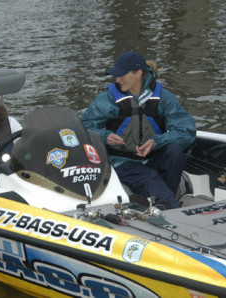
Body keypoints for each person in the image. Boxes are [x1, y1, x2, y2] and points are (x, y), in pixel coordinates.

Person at [81, 51, 196, 209]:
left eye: (122, 75)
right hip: (122, 162)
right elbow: (83, 128)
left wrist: (156, 142)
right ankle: (167, 204)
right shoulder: (107, 99)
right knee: (149, 178)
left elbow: (186, 130)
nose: (117, 80)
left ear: (139, 73)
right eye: (116, 75)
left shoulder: (163, 97)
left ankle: (162, 204)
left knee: (174, 151)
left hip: (152, 158)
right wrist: (105, 136)